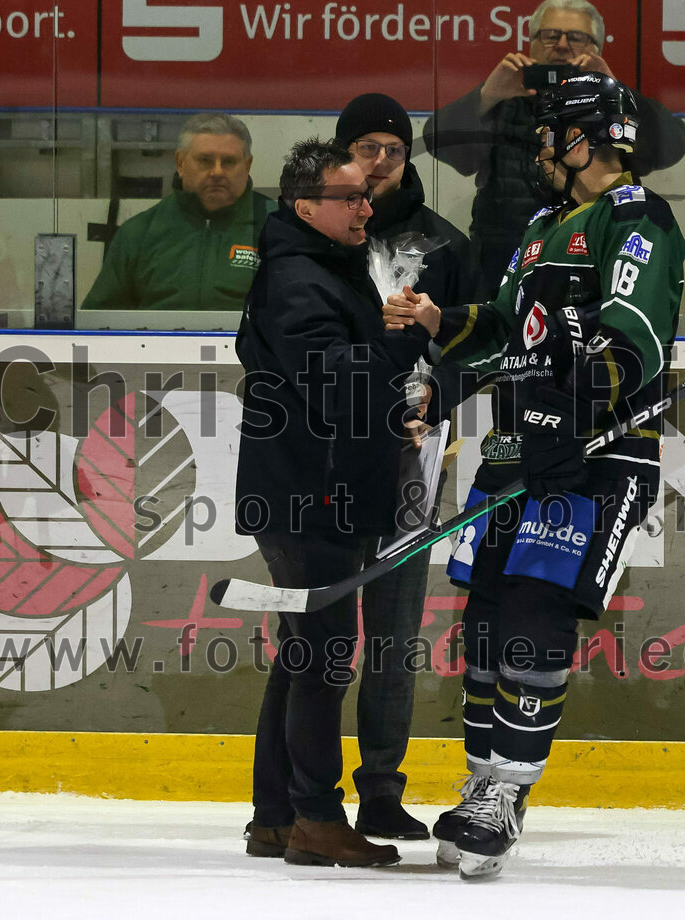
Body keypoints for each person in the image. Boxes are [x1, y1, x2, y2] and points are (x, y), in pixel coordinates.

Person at [386, 73, 685, 878]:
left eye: (552, 134)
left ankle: (507, 792)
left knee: (534, 616)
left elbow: (631, 338)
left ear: (587, 139)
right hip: (517, 451)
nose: (541, 150)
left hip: (596, 456)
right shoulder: (542, 226)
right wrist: (442, 330)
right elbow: (507, 330)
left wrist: (570, 410)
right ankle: (481, 777)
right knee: (485, 621)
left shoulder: (637, 218)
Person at [235, 138, 430, 867]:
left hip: (316, 490)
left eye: (365, 197)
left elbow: (342, 381)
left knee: (303, 654)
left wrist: (395, 396)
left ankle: (275, 815)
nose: (365, 208)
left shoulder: (325, 267)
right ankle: (315, 818)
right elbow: (336, 381)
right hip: (308, 496)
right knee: (322, 659)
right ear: (305, 205)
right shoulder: (297, 279)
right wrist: (402, 342)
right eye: (349, 197)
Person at [334, 94, 478, 838]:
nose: (381, 161)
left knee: (393, 629)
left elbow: (479, 345)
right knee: (321, 627)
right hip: (328, 450)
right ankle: (304, 793)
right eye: (367, 146)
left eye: (394, 148)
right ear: (343, 153)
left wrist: (438, 395)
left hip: (414, 454)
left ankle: (382, 789)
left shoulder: (445, 245)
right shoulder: (318, 234)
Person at [422, 0, 685, 297]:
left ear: (597, 50)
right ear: (531, 44)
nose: (562, 45)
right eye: (550, 35)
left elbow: (673, 145)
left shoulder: (615, 110)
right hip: (505, 262)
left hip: (592, 256)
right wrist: (487, 96)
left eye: (575, 37)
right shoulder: (505, 102)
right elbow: (437, 141)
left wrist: (613, 88)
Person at [82, 113, 275, 310]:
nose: (217, 172)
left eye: (229, 162)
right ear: (180, 163)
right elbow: (99, 318)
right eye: (205, 160)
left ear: (247, 166)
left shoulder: (282, 229)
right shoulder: (138, 234)